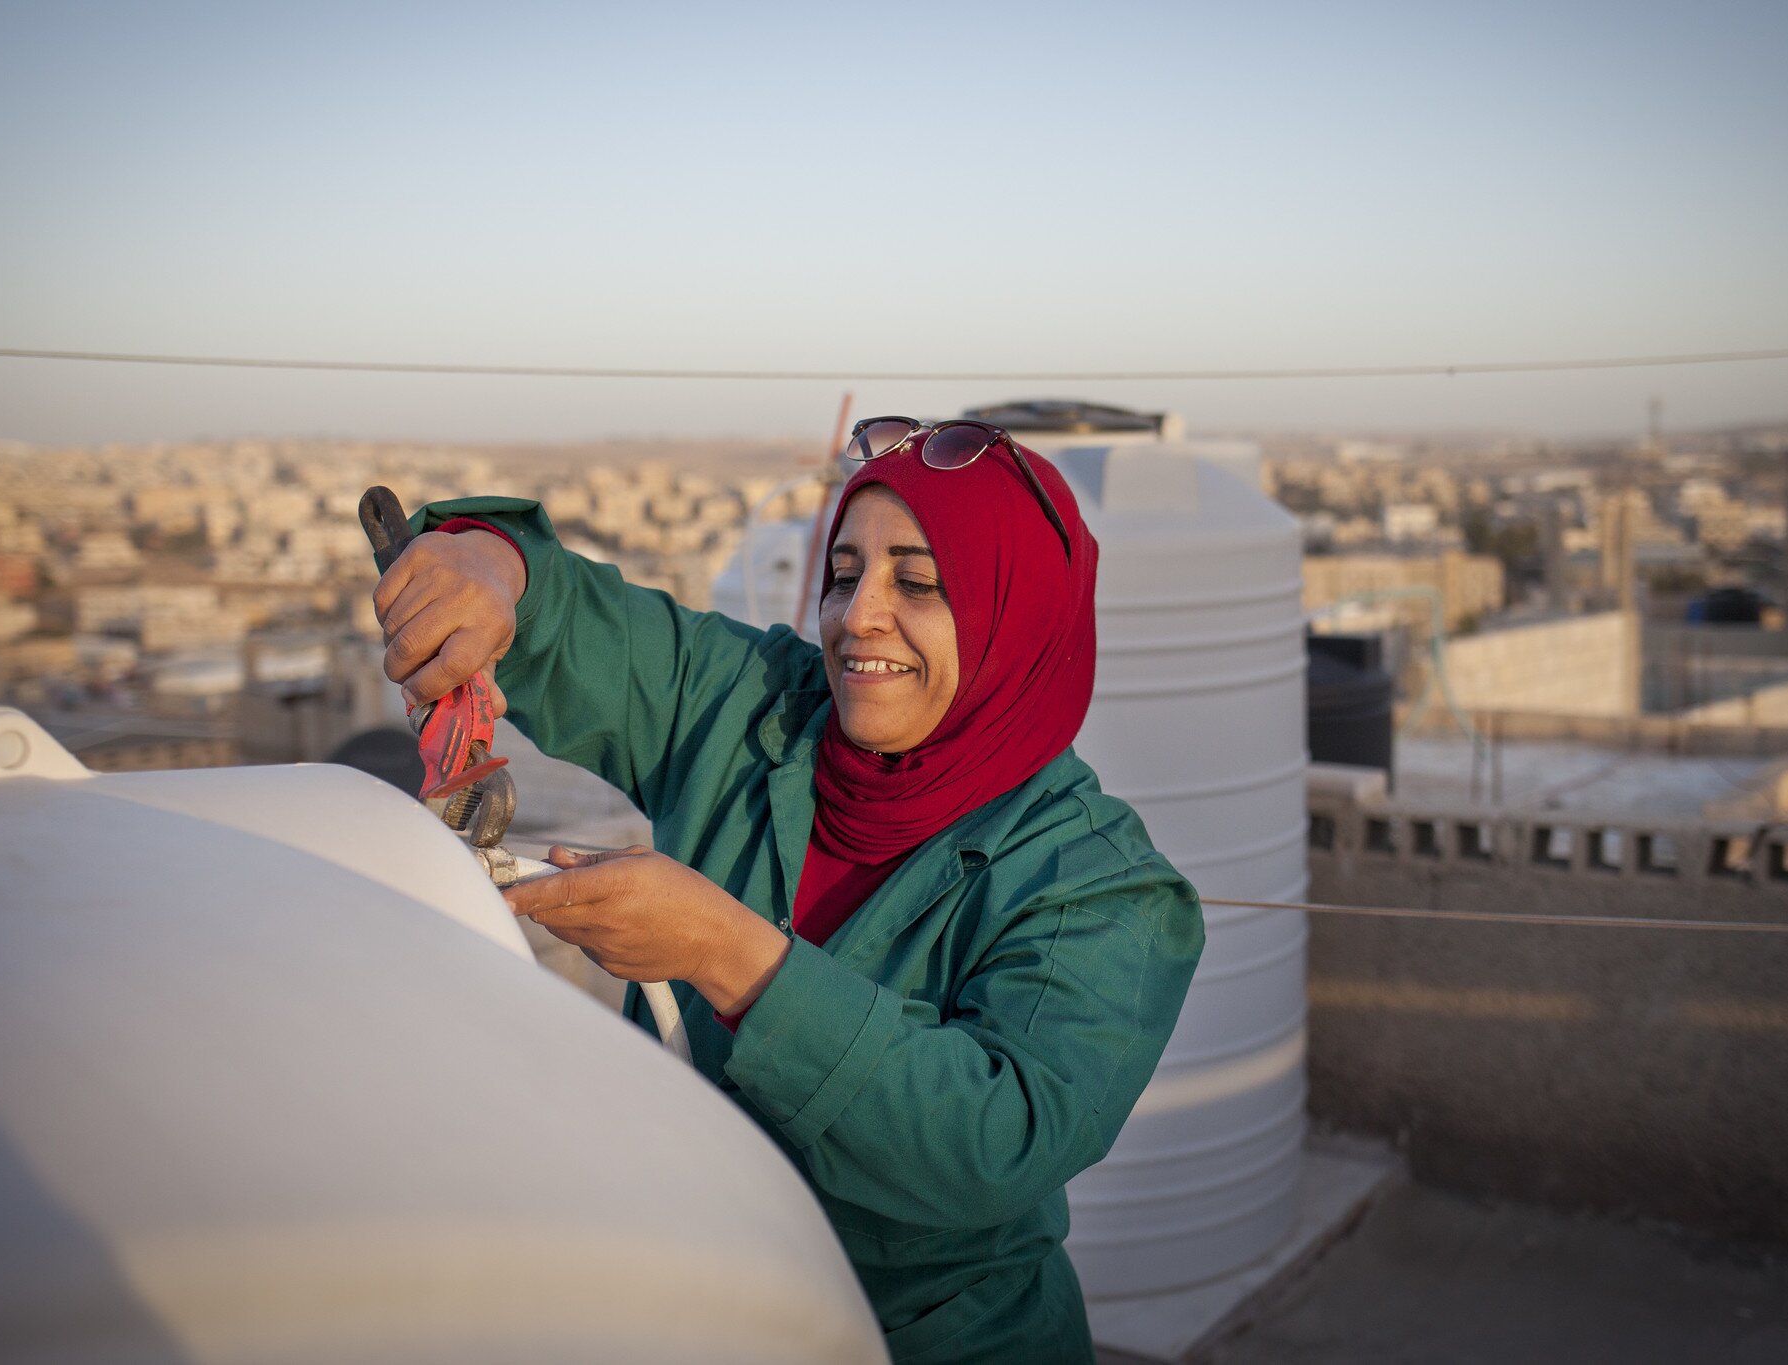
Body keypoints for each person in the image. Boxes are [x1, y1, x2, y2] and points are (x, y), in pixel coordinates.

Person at [372, 417, 1204, 1364]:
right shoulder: (758, 704)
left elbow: (998, 1139)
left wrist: (730, 957)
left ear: (1019, 616)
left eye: (919, 582)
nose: (858, 616)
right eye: (845, 574)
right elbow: (586, 630)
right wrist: (490, 569)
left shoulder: (1096, 884)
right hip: (693, 1305)